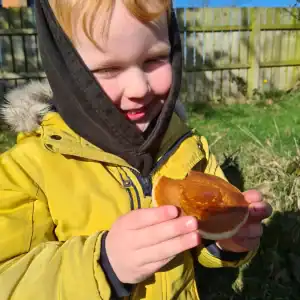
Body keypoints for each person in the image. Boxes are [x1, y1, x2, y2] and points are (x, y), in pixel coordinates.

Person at [0, 0, 272, 299]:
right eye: (108, 69)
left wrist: (223, 243)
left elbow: (200, 245)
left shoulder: (188, 149)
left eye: (154, 59)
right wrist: (104, 264)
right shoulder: (27, 171)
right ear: (66, 71)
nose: (138, 88)